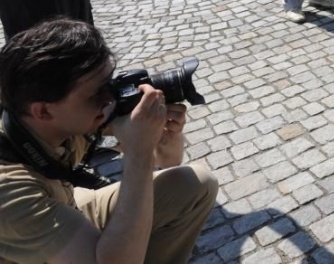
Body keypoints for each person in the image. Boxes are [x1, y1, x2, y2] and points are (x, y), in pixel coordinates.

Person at [0, 18, 218, 263]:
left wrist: (165, 135)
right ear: (43, 111)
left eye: (110, 82)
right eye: (97, 92)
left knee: (194, 183)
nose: (110, 98)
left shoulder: (59, 117)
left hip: (67, 205)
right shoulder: (10, 192)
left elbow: (169, 160)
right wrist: (139, 151)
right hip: (36, 238)